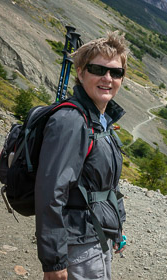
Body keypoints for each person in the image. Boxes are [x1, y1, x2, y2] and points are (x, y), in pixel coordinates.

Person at [35, 31, 128, 280]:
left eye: (116, 72)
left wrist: (117, 226)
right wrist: (54, 263)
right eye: (98, 70)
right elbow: (50, 192)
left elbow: (107, 184)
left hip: (98, 236)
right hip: (78, 245)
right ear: (80, 72)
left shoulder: (100, 121)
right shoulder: (70, 121)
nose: (108, 78)